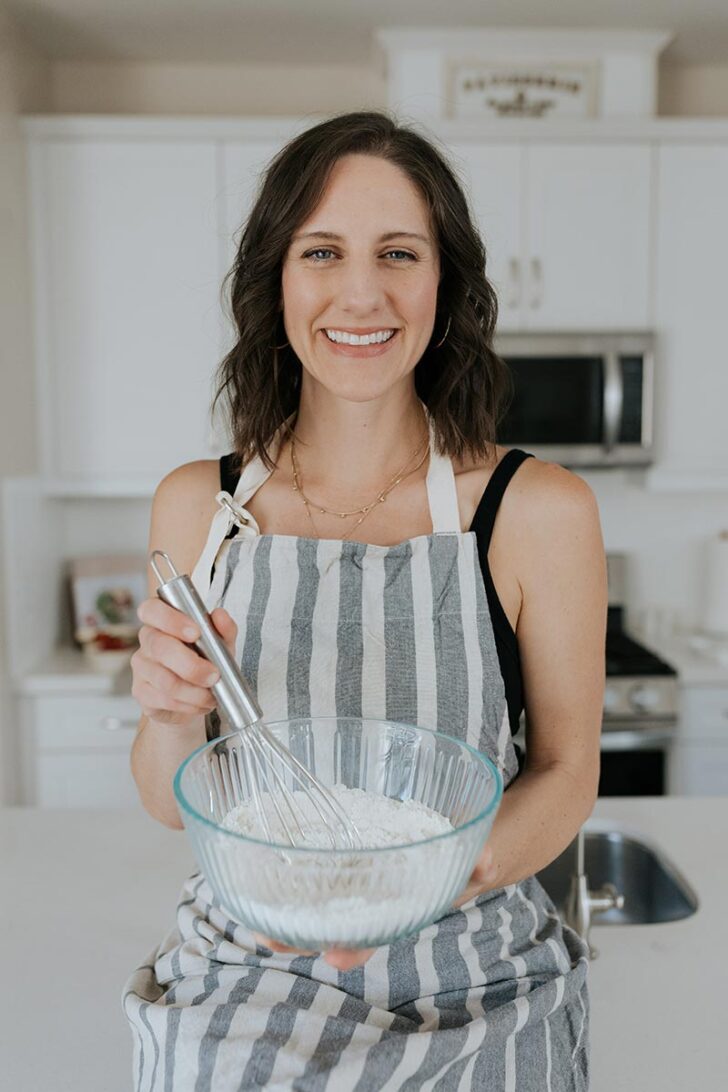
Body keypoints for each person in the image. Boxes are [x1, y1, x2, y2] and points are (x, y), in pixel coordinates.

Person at [124, 110, 606, 1091]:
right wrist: (169, 712)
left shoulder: (534, 510)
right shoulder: (199, 505)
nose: (360, 292)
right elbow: (171, 800)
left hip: (477, 976)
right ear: (277, 278)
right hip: (245, 970)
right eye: (322, 251)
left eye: (398, 252)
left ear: (444, 283)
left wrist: (413, 887)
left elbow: (564, 772)